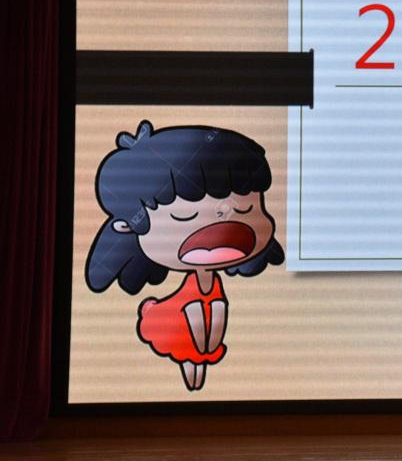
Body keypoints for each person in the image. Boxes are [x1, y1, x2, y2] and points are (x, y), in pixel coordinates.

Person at [86, 121, 284, 391]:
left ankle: (202, 364)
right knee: (189, 349)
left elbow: (217, 309)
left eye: (245, 209)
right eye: (184, 216)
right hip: (174, 318)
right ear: (129, 226)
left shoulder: (215, 281)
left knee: (202, 344)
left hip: (202, 327)